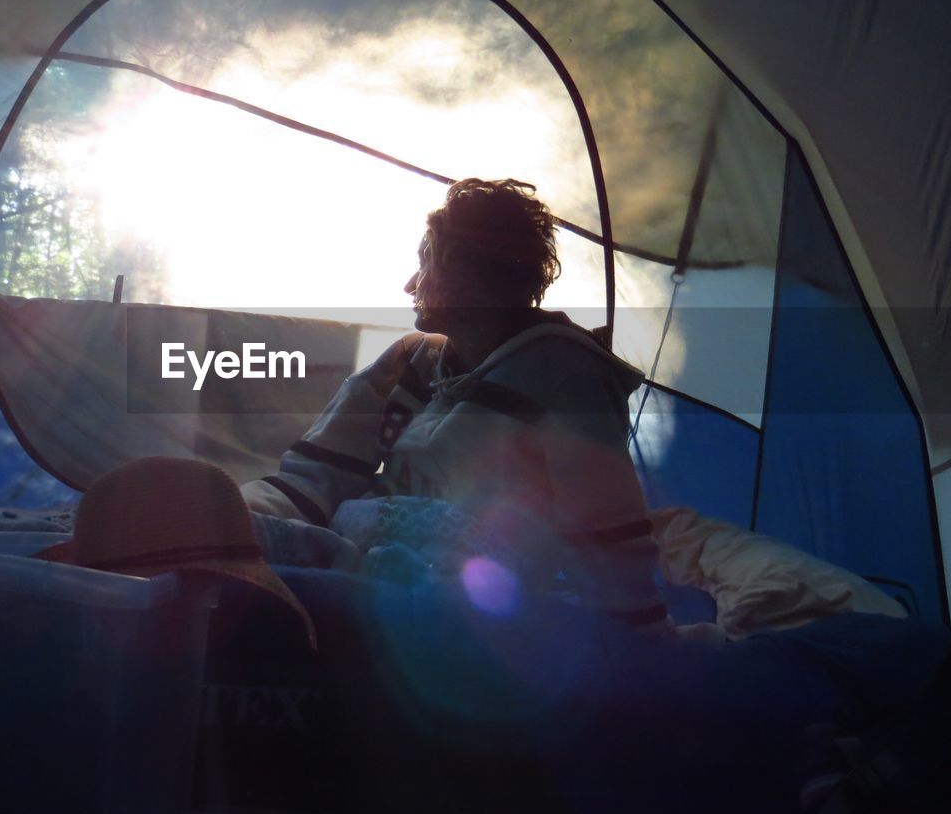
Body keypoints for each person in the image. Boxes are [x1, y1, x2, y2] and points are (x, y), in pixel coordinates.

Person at [241, 177, 671, 633]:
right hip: (368, 567)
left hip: (482, 603)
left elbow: (606, 532)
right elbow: (316, 479)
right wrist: (234, 519)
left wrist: (640, 641)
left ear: (468, 273)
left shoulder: (564, 375)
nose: (411, 285)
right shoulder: (411, 361)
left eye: (425, 264)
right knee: (235, 551)